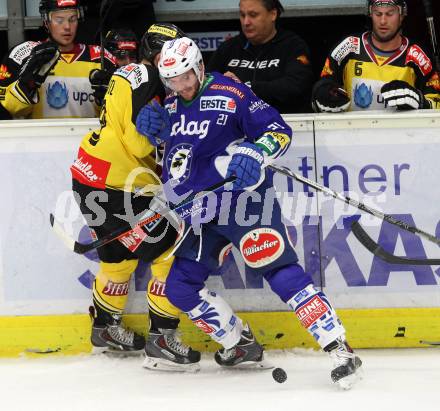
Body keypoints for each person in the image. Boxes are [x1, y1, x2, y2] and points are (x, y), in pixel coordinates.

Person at [135, 37, 363, 389]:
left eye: (183, 77)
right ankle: (240, 344)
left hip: (244, 203)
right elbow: (179, 161)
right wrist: (156, 137)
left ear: (197, 67)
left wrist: (256, 153)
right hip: (200, 213)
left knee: (281, 272)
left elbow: (278, 131)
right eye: (171, 80)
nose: (179, 85)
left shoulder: (232, 93)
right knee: (179, 287)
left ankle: (339, 347)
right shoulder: (170, 105)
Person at [70, 23, 201, 371]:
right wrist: (157, 132)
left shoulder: (130, 72)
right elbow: (138, 144)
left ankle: (105, 327)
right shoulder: (150, 78)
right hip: (118, 188)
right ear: (157, 55)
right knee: (171, 253)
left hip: (88, 176)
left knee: (118, 259)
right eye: (171, 55)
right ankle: (161, 338)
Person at [312, 0, 440, 112]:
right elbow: (325, 85)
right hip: (351, 134)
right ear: (370, 14)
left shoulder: (417, 55)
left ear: (401, 16)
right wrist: (323, 94)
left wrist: (420, 101)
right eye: (378, 14)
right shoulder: (348, 47)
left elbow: (436, 102)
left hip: (402, 135)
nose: (383, 21)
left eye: (390, 14)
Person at [0, 0, 116, 119]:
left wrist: (107, 100)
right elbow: (9, 109)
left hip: (88, 136)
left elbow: (122, 113)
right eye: (59, 20)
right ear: (46, 21)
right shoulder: (23, 56)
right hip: (41, 137)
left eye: (72, 19)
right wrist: (27, 85)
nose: (67, 27)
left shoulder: (102, 58)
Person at [206, 0, 313, 113]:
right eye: (242, 15)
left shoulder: (293, 45)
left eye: (253, 15)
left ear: (273, 14)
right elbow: (205, 85)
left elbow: (297, 86)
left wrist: (244, 87)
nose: (246, 22)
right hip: (235, 124)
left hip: (284, 123)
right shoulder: (228, 48)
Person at [89, 28, 139, 107]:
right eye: (121, 56)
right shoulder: (98, 78)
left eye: (132, 56)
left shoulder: (144, 79)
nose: (128, 62)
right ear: (107, 56)